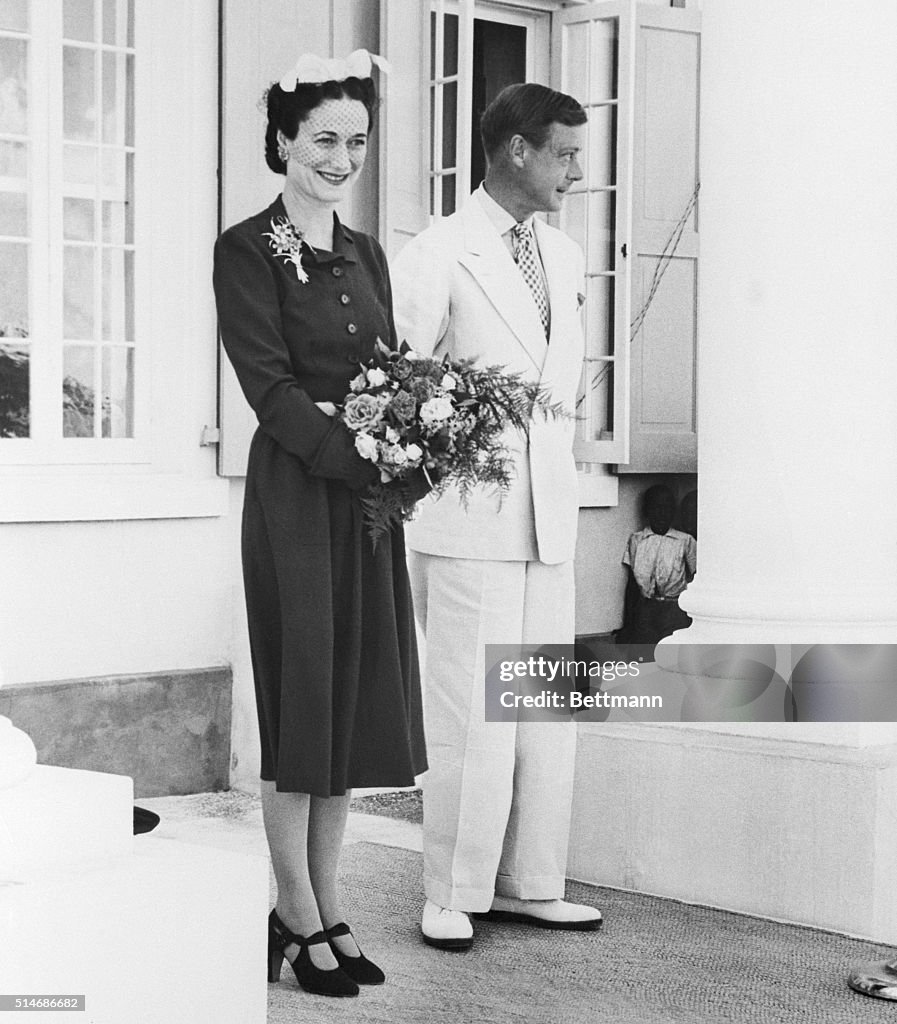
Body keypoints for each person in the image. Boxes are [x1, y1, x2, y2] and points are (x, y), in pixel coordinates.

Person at [213, 50, 426, 998]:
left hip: (369, 508)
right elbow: (271, 390)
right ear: (283, 142)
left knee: (346, 707)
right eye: (324, 140)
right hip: (300, 497)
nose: (342, 158)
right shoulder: (245, 247)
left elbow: (394, 368)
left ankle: (326, 907)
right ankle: (294, 918)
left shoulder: (366, 250)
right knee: (304, 703)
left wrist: (421, 445)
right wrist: (362, 456)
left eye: (357, 142)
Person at [391, 82, 602, 950]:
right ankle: (451, 889)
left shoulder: (563, 255)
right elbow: (397, 388)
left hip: (549, 516)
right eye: (563, 153)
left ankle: (527, 882)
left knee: (543, 709)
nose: (576, 172)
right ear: (515, 149)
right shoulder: (437, 251)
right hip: (469, 516)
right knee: (469, 715)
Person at [617, 484, 696, 647]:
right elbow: (632, 584)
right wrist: (627, 623)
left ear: (673, 511)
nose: (661, 513)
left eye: (667, 508)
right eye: (656, 507)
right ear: (647, 511)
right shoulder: (637, 540)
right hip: (646, 609)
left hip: (675, 610)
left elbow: (696, 578)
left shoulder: (685, 541)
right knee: (645, 654)